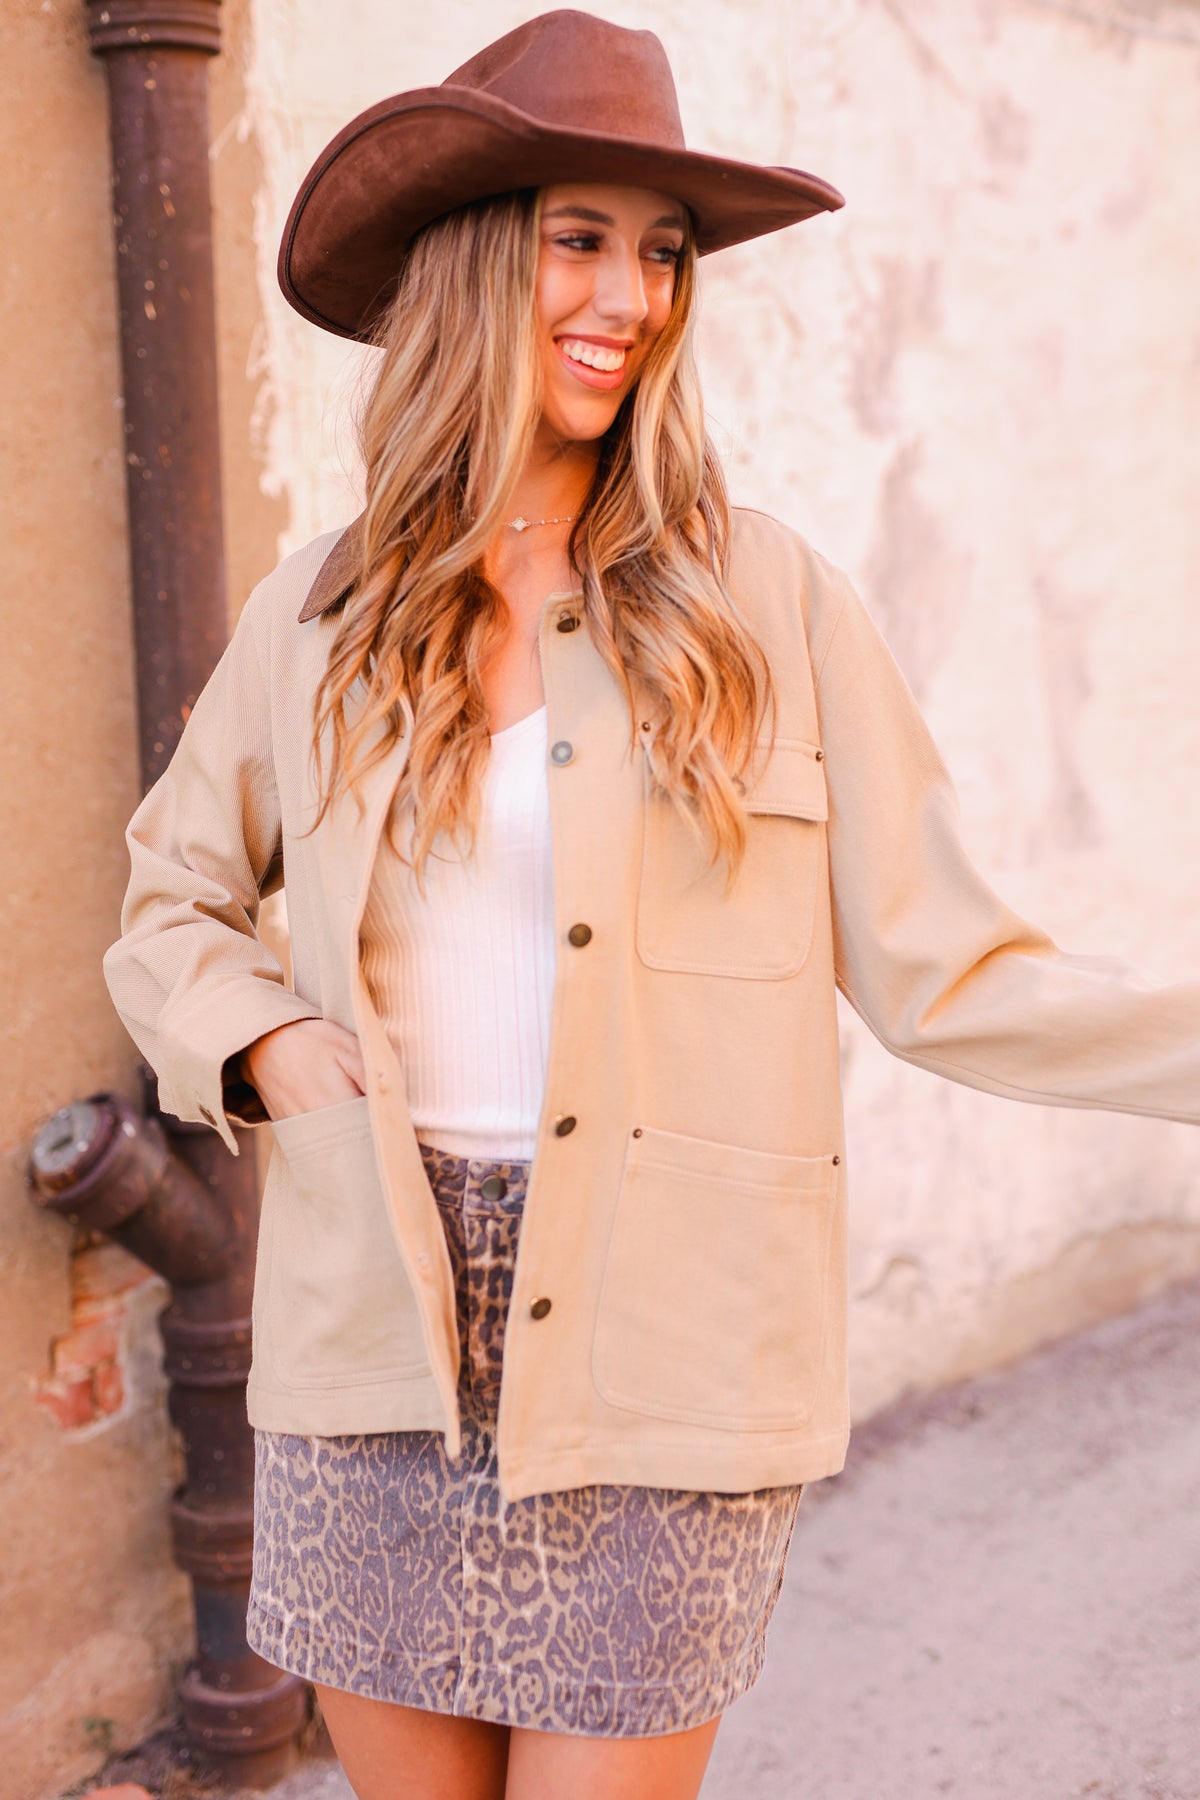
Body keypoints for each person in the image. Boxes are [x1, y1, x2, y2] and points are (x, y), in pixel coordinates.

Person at [102, 11, 1199, 1800]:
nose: (634, 295)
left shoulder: (767, 602)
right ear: (473, 265)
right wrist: (268, 1039)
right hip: (368, 1331)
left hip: (662, 1340)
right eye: (581, 239)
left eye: (666, 251)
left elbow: (952, 972)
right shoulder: (318, 617)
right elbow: (169, 901)